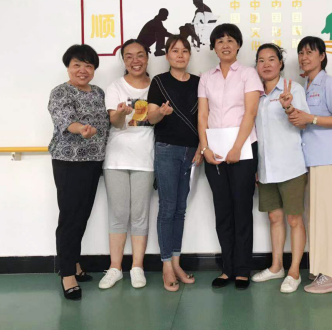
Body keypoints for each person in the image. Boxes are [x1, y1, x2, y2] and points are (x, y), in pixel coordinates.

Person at [197, 23, 263, 290]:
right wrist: (205, 148)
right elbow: (203, 114)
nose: (225, 45)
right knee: (222, 210)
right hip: (214, 152)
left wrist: (237, 147)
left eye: (230, 40)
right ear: (214, 47)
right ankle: (227, 269)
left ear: (238, 45)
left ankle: (243, 269)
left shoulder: (248, 74)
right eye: (220, 41)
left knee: (241, 209)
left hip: (243, 150)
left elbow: (250, 112)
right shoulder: (206, 77)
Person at [287, 36, 332, 294]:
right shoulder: (306, 85)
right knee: (318, 217)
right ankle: (330, 268)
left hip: (328, 158)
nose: (304, 57)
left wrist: (310, 118)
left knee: (329, 217)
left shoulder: (329, 83)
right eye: (301, 53)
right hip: (313, 160)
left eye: (310, 52)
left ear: (322, 56)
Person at [48, 44, 110, 300]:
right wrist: (81, 129)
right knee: (70, 218)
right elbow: (65, 120)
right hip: (69, 162)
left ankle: (73, 263)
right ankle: (67, 274)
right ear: (68, 67)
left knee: (82, 216)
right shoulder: (60, 92)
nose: (83, 70)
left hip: (94, 161)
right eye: (77, 65)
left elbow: (106, 124)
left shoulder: (98, 92)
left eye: (88, 65)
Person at [250, 44, 309, 294]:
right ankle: (277, 267)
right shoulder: (255, 93)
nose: (266, 64)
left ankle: (294, 271)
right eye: (261, 60)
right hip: (265, 167)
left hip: (291, 165)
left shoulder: (292, 88)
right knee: (274, 217)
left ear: (281, 63)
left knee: (294, 219)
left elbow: (303, 123)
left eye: (272, 59)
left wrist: (288, 107)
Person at [147, 35, 203, 292]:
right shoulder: (159, 82)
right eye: (175, 50)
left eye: (184, 51)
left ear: (189, 55)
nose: (180, 55)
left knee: (180, 208)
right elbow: (151, 117)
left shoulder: (199, 83)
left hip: (191, 151)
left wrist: (201, 147)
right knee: (167, 208)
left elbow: (204, 117)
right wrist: (161, 112)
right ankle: (166, 265)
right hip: (167, 150)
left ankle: (177, 263)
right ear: (167, 55)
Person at [98, 39, 155, 290]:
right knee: (118, 215)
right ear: (123, 60)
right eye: (129, 56)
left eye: (140, 55)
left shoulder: (156, 86)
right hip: (117, 159)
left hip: (145, 159)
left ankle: (137, 267)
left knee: (140, 215)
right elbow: (116, 122)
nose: (135, 60)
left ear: (147, 57)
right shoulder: (115, 87)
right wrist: (120, 113)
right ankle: (115, 268)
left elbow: (157, 119)